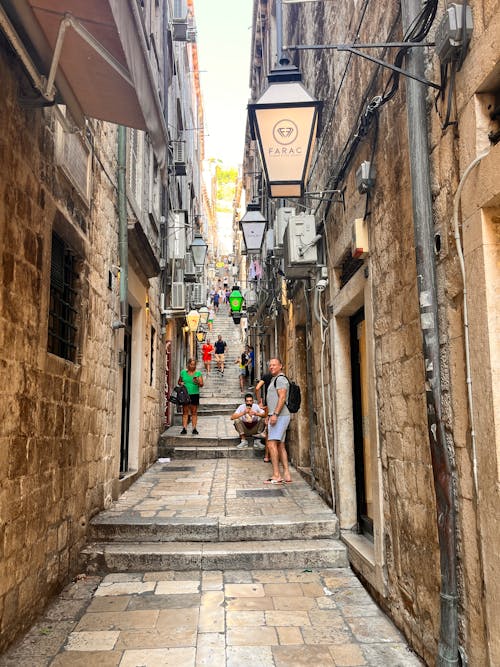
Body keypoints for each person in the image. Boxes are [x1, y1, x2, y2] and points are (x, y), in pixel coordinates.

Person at [264, 357, 292, 484]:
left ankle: (276, 475)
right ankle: (286, 474)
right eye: (270, 365)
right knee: (280, 445)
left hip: (280, 415)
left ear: (281, 366)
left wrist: (274, 414)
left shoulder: (280, 379)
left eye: (274, 365)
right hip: (277, 415)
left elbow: (282, 398)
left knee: (271, 444)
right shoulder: (275, 379)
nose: (272, 367)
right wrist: (269, 415)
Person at [178, 358, 204, 435]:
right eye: (191, 364)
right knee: (185, 412)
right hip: (185, 394)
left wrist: (197, 382)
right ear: (188, 364)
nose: (193, 366)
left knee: (194, 412)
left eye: (194, 365)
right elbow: (179, 381)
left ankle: (194, 428)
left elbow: (202, 384)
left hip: (194, 394)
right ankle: (184, 428)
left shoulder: (198, 373)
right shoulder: (183, 372)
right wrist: (181, 383)